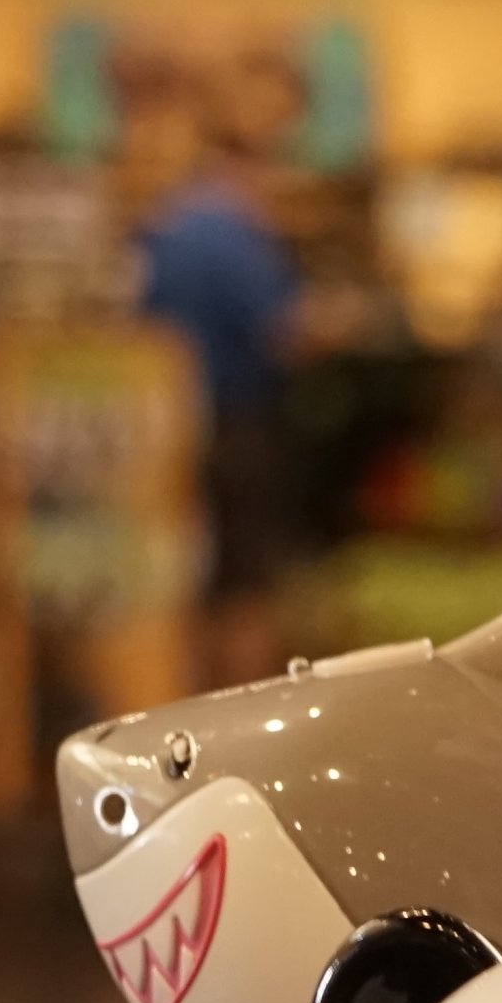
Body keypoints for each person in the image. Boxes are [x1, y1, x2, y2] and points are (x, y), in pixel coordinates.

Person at [133, 112, 302, 685]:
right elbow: (284, 329)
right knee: (244, 580)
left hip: (168, 426)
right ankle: (242, 701)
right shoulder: (237, 237)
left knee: (189, 577)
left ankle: (189, 697)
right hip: (236, 423)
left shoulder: (162, 228)